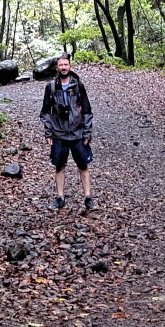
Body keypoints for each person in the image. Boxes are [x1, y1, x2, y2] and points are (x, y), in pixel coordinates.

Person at [39, 55, 94, 211]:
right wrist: (48, 132)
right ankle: (60, 197)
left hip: (77, 133)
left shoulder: (78, 85)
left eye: (66, 64)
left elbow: (87, 111)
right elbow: (45, 112)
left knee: (83, 165)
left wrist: (87, 133)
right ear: (56, 67)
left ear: (70, 66)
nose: (63, 67)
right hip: (58, 133)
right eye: (60, 65)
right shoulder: (50, 87)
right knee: (59, 166)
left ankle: (88, 198)